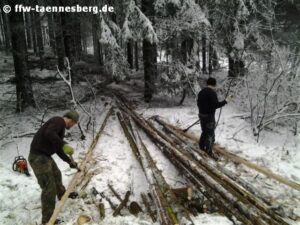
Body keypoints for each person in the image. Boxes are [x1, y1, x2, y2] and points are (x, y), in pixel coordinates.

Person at [28, 111, 80, 225]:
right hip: (38, 157)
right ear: (72, 121)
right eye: (74, 124)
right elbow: (49, 133)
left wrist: (69, 161)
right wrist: (63, 143)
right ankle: (47, 220)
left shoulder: (59, 129)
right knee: (49, 189)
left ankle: (62, 194)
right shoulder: (58, 121)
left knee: (57, 174)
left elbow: (58, 149)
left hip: (45, 156)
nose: (73, 126)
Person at [197, 78, 228, 157]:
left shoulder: (201, 92)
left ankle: (201, 146)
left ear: (207, 83)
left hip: (201, 115)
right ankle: (208, 151)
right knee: (210, 134)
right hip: (209, 117)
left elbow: (198, 103)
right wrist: (225, 101)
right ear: (214, 84)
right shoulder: (212, 93)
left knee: (204, 131)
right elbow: (215, 105)